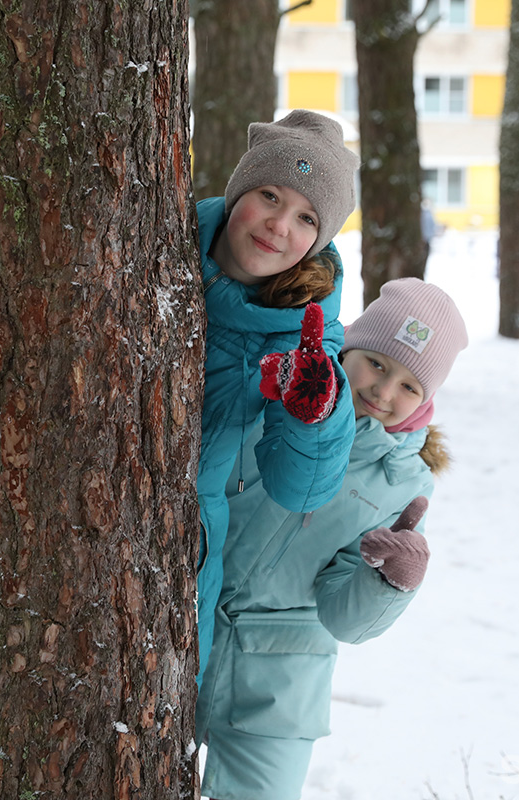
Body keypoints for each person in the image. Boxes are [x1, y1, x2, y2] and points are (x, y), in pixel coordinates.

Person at [196, 279, 469, 800]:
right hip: (186, 624)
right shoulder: (282, 391)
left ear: (427, 400)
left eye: (411, 386)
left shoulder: (404, 485)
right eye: (378, 363)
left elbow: (344, 617)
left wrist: (388, 582)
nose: (384, 392)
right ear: (349, 346)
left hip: (281, 675)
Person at [195, 110, 361, 679]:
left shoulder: (306, 331)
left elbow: (300, 489)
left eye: (307, 216)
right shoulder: (148, 251)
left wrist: (315, 413)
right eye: (268, 194)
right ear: (237, 189)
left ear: (320, 239)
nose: (279, 225)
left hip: (179, 548)